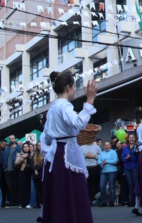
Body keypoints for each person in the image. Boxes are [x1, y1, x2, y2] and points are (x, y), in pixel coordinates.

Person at [41, 72, 97, 223]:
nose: (74, 90)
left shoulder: (53, 107)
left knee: (59, 196)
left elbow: (45, 136)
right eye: (74, 87)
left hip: (56, 154)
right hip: (66, 154)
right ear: (67, 87)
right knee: (73, 193)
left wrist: (48, 151)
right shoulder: (64, 105)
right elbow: (79, 123)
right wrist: (90, 99)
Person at [80, 136, 102, 205]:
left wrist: (93, 156)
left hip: (94, 167)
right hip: (85, 167)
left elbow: (101, 156)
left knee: (93, 184)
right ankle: (86, 199)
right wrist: (86, 155)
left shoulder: (96, 147)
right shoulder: (82, 147)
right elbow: (79, 157)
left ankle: (92, 199)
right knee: (86, 184)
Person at [98, 141, 118, 207]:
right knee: (102, 186)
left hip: (112, 171)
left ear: (110, 145)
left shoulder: (113, 152)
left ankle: (112, 201)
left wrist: (106, 161)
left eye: (108, 145)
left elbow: (115, 161)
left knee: (111, 186)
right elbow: (98, 161)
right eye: (105, 145)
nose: (107, 146)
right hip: (104, 171)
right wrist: (102, 162)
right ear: (104, 146)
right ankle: (103, 201)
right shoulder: (102, 153)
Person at [14, 142, 34, 208]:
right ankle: (21, 203)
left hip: (31, 172)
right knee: (22, 187)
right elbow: (16, 162)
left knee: (29, 187)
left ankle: (29, 202)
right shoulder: (19, 154)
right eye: (24, 147)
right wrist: (23, 157)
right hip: (22, 171)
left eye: (27, 147)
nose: (25, 148)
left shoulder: (32, 154)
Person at [3, 134, 21, 208]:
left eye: (12, 138)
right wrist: (4, 167)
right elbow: (4, 158)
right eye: (10, 139)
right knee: (9, 187)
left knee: (15, 186)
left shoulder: (18, 148)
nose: (11, 140)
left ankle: (16, 202)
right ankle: (11, 201)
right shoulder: (6, 149)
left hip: (15, 169)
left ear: (15, 139)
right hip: (8, 170)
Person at [121, 133, 139, 207]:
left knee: (135, 184)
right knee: (130, 185)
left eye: (132, 137)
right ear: (128, 139)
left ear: (135, 139)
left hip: (135, 166)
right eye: (130, 138)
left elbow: (138, 157)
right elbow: (122, 156)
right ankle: (132, 200)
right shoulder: (125, 148)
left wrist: (130, 157)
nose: (131, 139)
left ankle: (137, 201)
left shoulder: (137, 147)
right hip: (127, 167)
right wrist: (125, 159)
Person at [32, 142, 44, 208]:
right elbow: (31, 163)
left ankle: (43, 202)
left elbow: (43, 163)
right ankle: (39, 202)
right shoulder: (34, 154)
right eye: (38, 145)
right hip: (36, 175)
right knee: (37, 189)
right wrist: (34, 169)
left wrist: (37, 169)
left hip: (42, 173)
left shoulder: (44, 153)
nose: (39, 146)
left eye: (40, 145)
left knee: (42, 189)